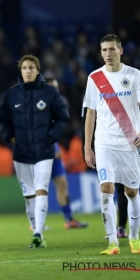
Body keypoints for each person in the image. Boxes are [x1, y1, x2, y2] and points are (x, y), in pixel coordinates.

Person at [0, 54, 70, 248]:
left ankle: (38, 233)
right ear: (20, 71)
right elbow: (3, 119)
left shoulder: (50, 92)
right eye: (25, 68)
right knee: (29, 196)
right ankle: (35, 229)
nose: (28, 71)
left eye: (31, 67)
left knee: (41, 191)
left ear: (38, 70)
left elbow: (63, 117)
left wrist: (51, 137)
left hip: (44, 151)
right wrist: (10, 137)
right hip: (21, 152)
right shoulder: (12, 94)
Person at [83, 34, 140, 255]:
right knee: (106, 188)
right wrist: (88, 147)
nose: (107, 54)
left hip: (129, 143)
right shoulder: (94, 78)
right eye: (104, 50)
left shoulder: (134, 76)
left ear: (121, 51)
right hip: (104, 142)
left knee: (132, 192)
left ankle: (134, 238)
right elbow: (90, 113)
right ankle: (113, 242)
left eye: (112, 49)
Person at [45, 77, 88, 229]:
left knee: (63, 184)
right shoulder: (38, 107)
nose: (55, 90)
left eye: (56, 87)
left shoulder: (57, 107)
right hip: (41, 153)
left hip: (54, 150)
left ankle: (69, 219)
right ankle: (37, 223)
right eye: (52, 87)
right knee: (39, 189)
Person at [81, 107, 128, 238]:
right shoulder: (92, 93)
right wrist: (87, 148)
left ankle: (122, 227)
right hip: (102, 145)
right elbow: (86, 120)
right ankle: (114, 232)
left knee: (126, 189)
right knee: (108, 187)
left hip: (124, 143)